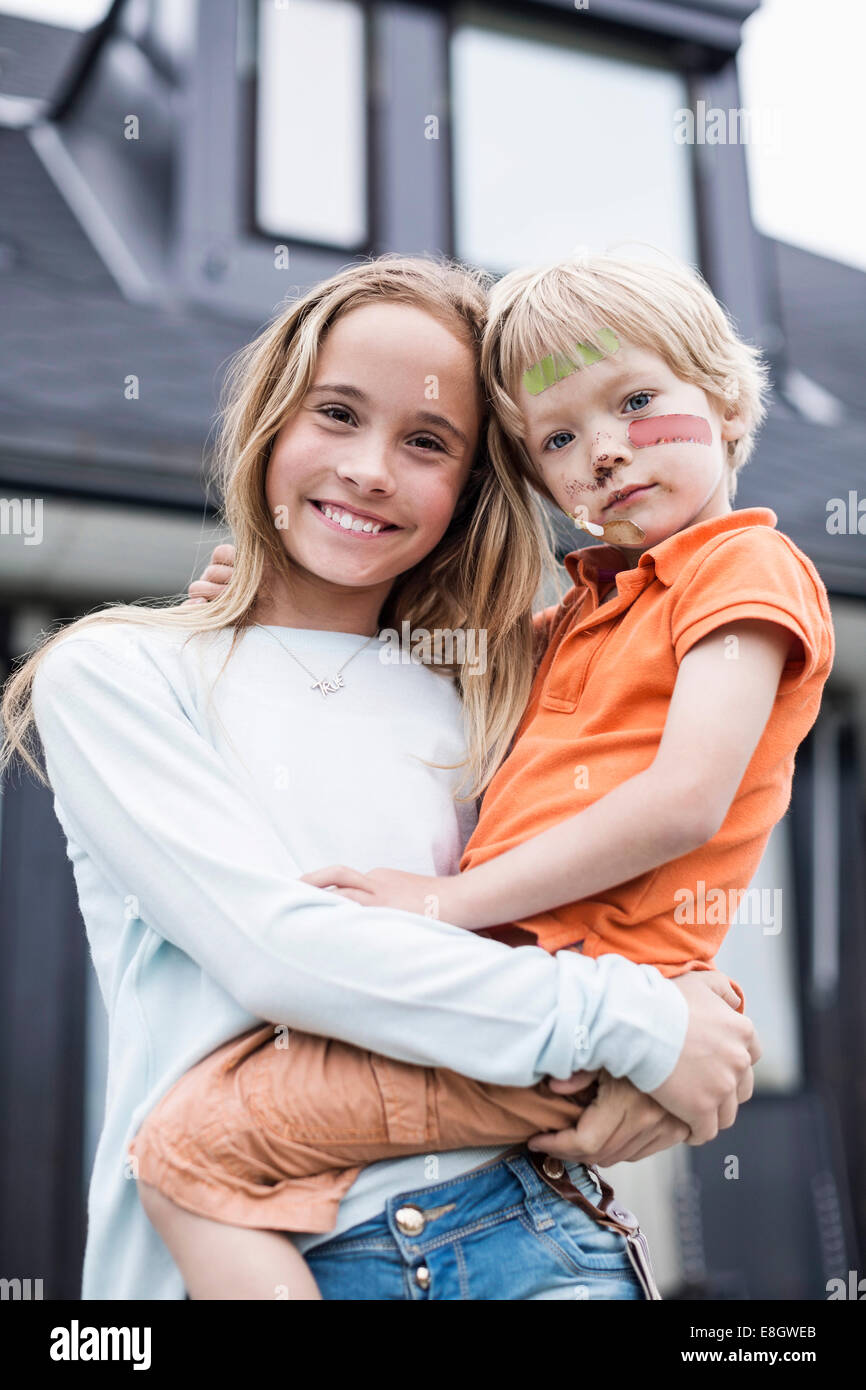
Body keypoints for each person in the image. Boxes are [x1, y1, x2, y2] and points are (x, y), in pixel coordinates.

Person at [122, 255, 790, 1301]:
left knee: (188, 1151)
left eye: (635, 402)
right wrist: (260, 593)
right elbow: (403, 654)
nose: (603, 451)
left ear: (726, 393)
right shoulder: (586, 614)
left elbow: (682, 801)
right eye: (557, 439)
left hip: (568, 1010)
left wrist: (447, 903)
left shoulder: (744, 573)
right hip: (551, 1009)